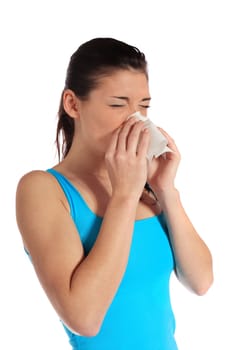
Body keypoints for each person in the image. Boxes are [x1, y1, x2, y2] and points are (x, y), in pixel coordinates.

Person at [16, 37, 213, 350]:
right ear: (72, 104)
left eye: (144, 106)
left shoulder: (146, 187)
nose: (136, 121)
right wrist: (124, 195)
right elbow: (85, 319)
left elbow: (201, 282)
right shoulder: (43, 189)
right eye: (118, 105)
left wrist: (166, 190)